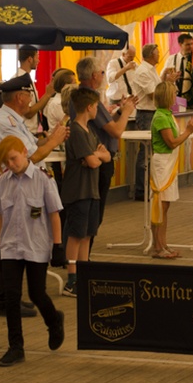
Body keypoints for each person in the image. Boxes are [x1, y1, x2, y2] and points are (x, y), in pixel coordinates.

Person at [0, 136, 67, 367]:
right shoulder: (3, 182)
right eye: (6, 162)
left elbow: (54, 214)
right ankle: (16, 347)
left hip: (36, 245)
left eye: (13, 158)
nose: (11, 165)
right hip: (10, 247)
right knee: (11, 296)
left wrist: (57, 246)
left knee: (36, 293)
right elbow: (0, 217)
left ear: (24, 151)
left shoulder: (43, 180)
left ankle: (54, 320)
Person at [75, 57, 137, 240]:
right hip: (97, 158)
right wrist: (127, 112)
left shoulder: (80, 96)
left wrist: (120, 111)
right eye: (102, 73)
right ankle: (84, 252)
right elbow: (116, 131)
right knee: (94, 214)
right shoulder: (90, 98)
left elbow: (105, 122)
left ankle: (81, 251)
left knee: (89, 213)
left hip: (93, 156)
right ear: (94, 76)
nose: (104, 76)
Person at [60, 87, 112, 296]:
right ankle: (71, 279)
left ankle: (84, 274)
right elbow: (93, 162)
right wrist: (96, 156)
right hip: (78, 191)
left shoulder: (90, 130)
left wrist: (96, 156)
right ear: (89, 107)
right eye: (96, 106)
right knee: (75, 235)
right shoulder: (76, 131)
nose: (98, 110)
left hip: (92, 191)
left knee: (88, 234)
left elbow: (106, 156)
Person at [149, 81, 193, 259]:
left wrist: (192, 128)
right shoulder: (160, 117)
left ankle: (163, 243)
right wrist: (189, 130)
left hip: (169, 163)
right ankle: (158, 247)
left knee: (165, 207)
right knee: (160, 206)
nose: (175, 96)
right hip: (162, 164)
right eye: (173, 93)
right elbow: (172, 142)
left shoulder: (167, 115)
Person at [130, 44, 163, 201]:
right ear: (150, 55)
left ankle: (149, 187)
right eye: (157, 52)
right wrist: (167, 92)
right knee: (145, 152)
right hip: (146, 114)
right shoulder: (143, 71)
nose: (159, 54)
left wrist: (167, 82)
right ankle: (140, 190)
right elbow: (152, 94)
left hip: (153, 112)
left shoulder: (152, 70)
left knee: (152, 152)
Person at [14, 47, 53, 134]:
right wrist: (47, 94)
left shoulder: (27, 79)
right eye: (37, 57)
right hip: (25, 132)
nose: (39, 60)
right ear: (30, 59)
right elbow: (28, 113)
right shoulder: (20, 80)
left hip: (29, 132)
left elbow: (35, 106)